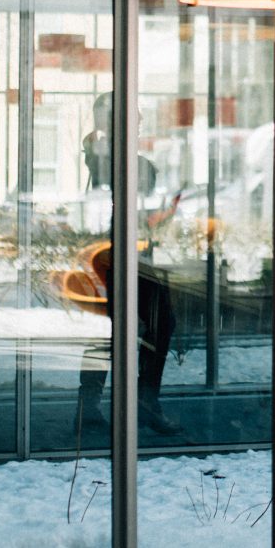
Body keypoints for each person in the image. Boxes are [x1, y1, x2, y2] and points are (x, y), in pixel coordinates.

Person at [74, 93, 180, 436]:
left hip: (133, 256)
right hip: (113, 257)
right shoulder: (103, 154)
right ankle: (105, 405)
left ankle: (110, 404)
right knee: (112, 330)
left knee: (149, 325)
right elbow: (111, 173)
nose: (139, 124)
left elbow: (145, 201)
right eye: (133, 118)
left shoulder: (129, 160)